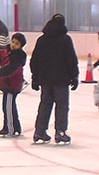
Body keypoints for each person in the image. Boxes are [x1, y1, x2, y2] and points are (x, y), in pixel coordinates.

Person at [29, 13, 78, 145]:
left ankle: (39, 131)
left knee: (45, 105)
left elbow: (35, 61)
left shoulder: (42, 40)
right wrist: (75, 76)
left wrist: (35, 78)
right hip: (61, 80)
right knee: (62, 106)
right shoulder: (65, 39)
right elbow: (71, 59)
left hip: (45, 80)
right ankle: (60, 132)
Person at [0, 33, 27, 138]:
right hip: (8, 85)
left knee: (8, 107)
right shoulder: (8, 51)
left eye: (17, 44)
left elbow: (8, 71)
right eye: (13, 42)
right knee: (9, 106)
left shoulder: (17, 58)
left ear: (21, 46)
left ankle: (10, 129)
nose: (13, 45)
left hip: (12, 86)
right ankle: (15, 127)